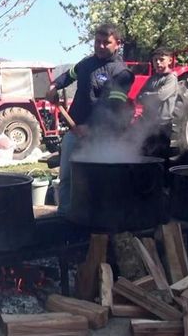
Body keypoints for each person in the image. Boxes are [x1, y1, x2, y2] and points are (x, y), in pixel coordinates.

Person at [46, 23, 134, 216]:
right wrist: (54, 85)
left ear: (117, 44)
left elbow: (113, 107)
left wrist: (92, 128)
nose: (100, 46)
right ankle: (65, 215)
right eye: (97, 41)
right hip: (74, 131)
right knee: (67, 176)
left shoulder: (122, 73)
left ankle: (94, 220)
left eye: (106, 42)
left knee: (95, 179)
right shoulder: (86, 64)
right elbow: (68, 76)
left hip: (101, 136)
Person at [136, 47, 178, 159]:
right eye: (155, 60)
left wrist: (147, 96)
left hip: (163, 125)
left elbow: (161, 96)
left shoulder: (171, 78)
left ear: (170, 60)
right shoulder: (152, 79)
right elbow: (139, 96)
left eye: (161, 59)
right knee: (146, 153)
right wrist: (147, 96)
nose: (158, 63)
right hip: (149, 123)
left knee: (161, 155)